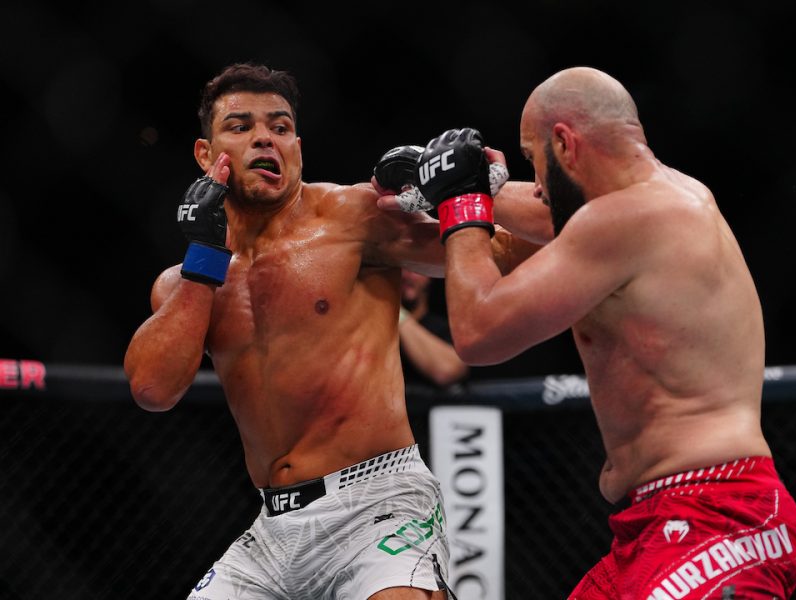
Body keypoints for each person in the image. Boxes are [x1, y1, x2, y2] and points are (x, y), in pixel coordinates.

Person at [123, 63, 543, 600]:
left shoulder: (352, 218)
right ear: (207, 155)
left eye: (279, 127)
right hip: (272, 529)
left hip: (381, 501)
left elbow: (512, 255)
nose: (263, 138)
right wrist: (205, 259)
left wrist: (481, 191)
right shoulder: (187, 282)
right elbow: (152, 390)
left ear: (297, 145)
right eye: (240, 126)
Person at [409, 68, 796, 599]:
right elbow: (544, 221)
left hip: (720, 515)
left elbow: (479, 332)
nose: (536, 182)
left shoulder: (627, 219)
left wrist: (461, 203)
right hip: (659, 521)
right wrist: (436, 182)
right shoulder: (663, 199)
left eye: (533, 161)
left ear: (563, 144)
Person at [398, 269, 469, 388]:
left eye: (413, 268)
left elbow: (449, 371)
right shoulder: (378, 330)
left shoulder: (445, 328)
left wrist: (398, 314)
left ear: (429, 276)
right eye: (401, 269)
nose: (406, 275)